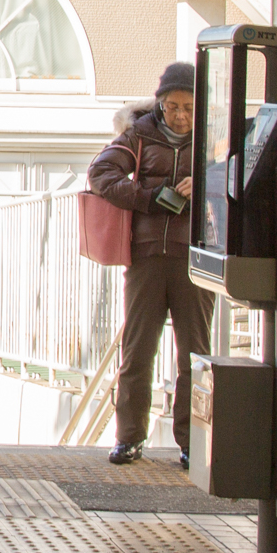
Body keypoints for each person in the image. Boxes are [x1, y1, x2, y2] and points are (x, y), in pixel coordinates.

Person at [87, 61, 206, 468]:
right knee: (138, 352)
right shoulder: (138, 134)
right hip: (147, 257)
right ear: (159, 103)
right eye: (173, 106)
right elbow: (100, 173)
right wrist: (151, 196)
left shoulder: (216, 138)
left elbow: (239, 181)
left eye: (189, 107)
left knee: (195, 357)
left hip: (196, 259)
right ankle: (129, 439)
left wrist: (204, 187)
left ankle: (193, 444)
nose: (181, 116)